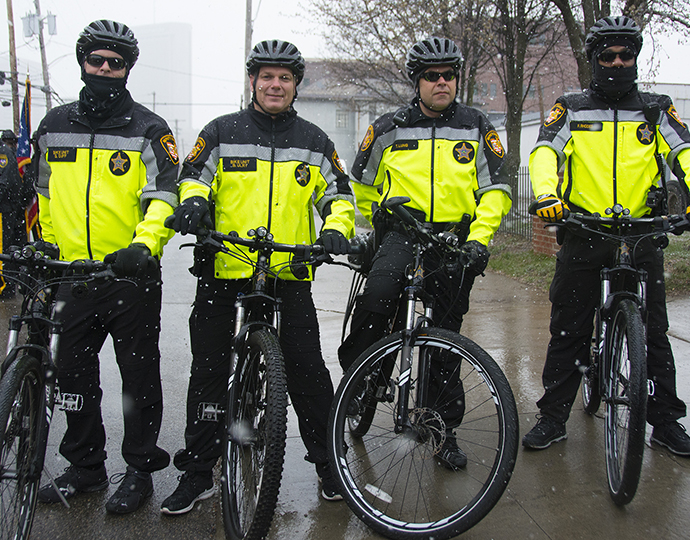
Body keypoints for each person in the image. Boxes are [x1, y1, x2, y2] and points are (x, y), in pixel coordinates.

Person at [160, 39, 355, 514]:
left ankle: (331, 468)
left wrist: (334, 229)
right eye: (266, 76)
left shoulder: (314, 140)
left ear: (295, 86)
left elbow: (339, 196)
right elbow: (193, 176)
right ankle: (199, 471)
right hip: (225, 266)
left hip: (288, 272)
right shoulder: (221, 131)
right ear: (252, 82)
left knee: (309, 372)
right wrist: (194, 202)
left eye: (284, 78)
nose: (274, 84)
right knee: (207, 373)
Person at [337, 37, 512, 469]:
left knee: (445, 337)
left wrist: (480, 239)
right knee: (377, 300)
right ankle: (358, 380)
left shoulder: (476, 126)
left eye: (448, 75)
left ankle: (441, 429)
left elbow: (496, 191)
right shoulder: (389, 126)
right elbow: (360, 181)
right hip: (401, 231)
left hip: (453, 238)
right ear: (417, 81)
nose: (441, 83)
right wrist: (377, 219)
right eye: (431, 76)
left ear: (456, 79)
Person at [523, 15, 690, 456]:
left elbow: (684, 152)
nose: (617, 63)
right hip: (584, 229)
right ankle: (554, 417)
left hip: (641, 232)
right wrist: (546, 194)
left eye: (625, 55)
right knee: (568, 329)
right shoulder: (572, 106)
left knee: (654, 331)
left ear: (634, 58)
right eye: (608, 56)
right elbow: (543, 152)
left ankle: (667, 422)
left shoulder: (655, 108)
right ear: (594, 60)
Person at [33, 20, 179, 513]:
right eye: (97, 60)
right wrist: (50, 247)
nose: (105, 69)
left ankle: (139, 469)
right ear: (82, 62)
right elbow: (45, 195)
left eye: (115, 62)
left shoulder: (150, 128)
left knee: (138, 380)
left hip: (129, 275)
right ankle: (86, 467)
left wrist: (145, 245)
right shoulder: (53, 124)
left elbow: (163, 196)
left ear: (127, 69)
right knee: (73, 374)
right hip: (74, 276)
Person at [0, 131, 29, 298]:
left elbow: (3, 185)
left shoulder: (3, 154)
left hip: (4, 210)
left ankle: (5, 287)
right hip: (7, 208)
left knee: (4, 248)